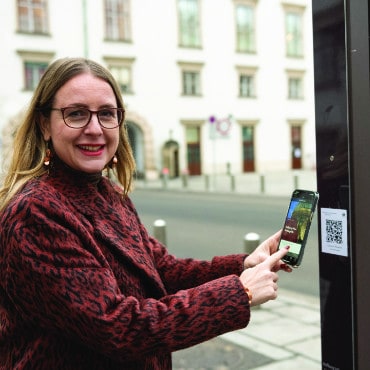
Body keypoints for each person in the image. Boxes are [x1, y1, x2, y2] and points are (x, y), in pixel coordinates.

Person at [0, 57, 292, 370]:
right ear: (45, 124)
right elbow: (119, 328)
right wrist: (240, 292)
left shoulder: (109, 195)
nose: (95, 129)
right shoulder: (34, 213)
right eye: (76, 114)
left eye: (107, 114)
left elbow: (163, 271)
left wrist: (242, 265)